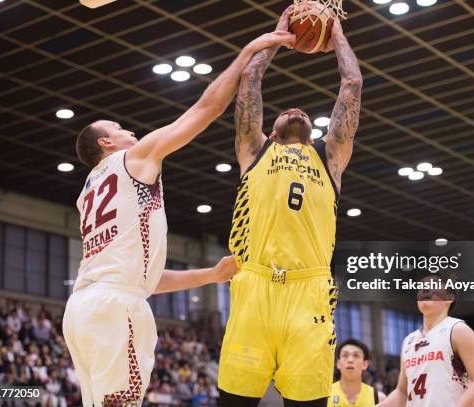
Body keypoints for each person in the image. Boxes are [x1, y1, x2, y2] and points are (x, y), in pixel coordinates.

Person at [62, 30, 296, 407]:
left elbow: (143, 279)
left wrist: (210, 275)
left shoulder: (88, 190)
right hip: (115, 307)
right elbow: (206, 109)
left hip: (83, 309)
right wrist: (250, 51)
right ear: (104, 143)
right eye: (119, 129)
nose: (130, 131)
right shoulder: (131, 160)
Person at [218, 6, 362, 407]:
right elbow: (250, 78)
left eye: (302, 113)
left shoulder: (329, 158)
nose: (295, 110)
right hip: (256, 287)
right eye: (286, 111)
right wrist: (278, 37)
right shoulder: (254, 149)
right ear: (272, 126)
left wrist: (335, 36)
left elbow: (352, 83)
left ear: (313, 130)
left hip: (310, 294)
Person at [380, 276, 474, 407]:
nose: (425, 290)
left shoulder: (458, 330)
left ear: (449, 298)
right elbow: (402, 392)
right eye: (421, 288)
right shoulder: (409, 341)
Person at [328, 338, 385, 406]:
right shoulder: (325, 396)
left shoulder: (379, 399)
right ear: (338, 363)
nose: (350, 360)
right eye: (345, 355)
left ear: (365, 364)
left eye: (356, 355)